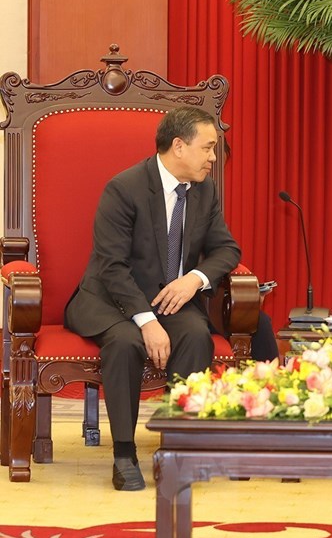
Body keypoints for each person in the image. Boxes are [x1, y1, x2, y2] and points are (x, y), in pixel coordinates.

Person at [65, 106, 241, 491]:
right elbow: (112, 266)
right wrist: (147, 321)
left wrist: (193, 280)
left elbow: (226, 249)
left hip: (168, 298)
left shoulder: (204, 190)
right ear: (179, 146)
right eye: (208, 147)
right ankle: (124, 454)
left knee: (195, 336)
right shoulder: (124, 188)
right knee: (125, 341)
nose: (213, 158)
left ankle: (176, 449)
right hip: (110, 298)